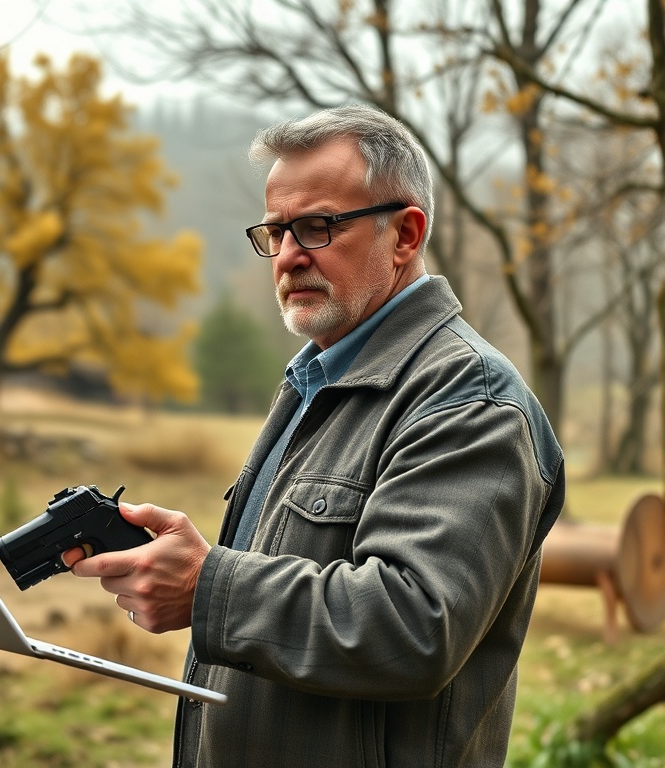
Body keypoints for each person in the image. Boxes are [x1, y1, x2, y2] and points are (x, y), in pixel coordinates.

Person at [62, 103, 565, 767]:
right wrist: (187, 571)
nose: (290, 255)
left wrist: (210, 587)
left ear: (406, 235)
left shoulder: (467, 400)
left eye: (317, 227)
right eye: (276, 231)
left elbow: (416, 626)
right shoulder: (316, 379)